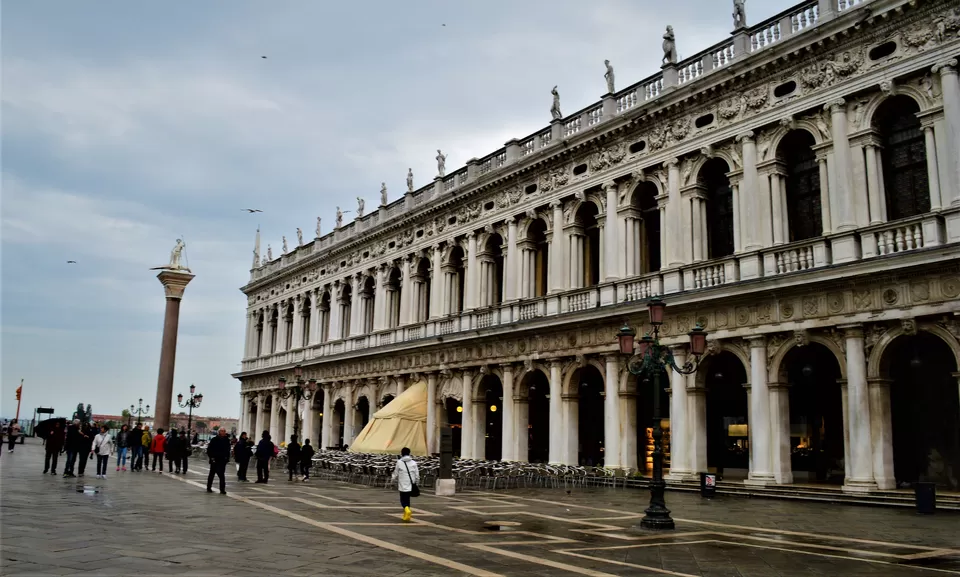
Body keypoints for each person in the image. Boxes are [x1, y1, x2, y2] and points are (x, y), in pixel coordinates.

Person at [391, 447, 420, 522]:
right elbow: (417, 474)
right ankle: (406, 513)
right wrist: (417, 482)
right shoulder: (414, 463)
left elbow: (396, 473)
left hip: (402, 483)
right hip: (411, 483)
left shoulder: (399, 462)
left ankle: (406, 510)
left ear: (402, 453)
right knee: (407, 499)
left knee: (403, 499)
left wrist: (392, 480)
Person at [206, 428, 231, 494]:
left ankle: (222, 489)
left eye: (224, 431)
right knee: (212, 474)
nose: (223, 432)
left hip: (222, 460)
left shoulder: (227, 440)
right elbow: (209, 449)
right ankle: (209, 487)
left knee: (222, 475)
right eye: (222, 431)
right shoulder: (214, 439)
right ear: (219, 432)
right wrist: (211, 457)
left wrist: (227, 458)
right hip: (214, 459)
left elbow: (228, 450)